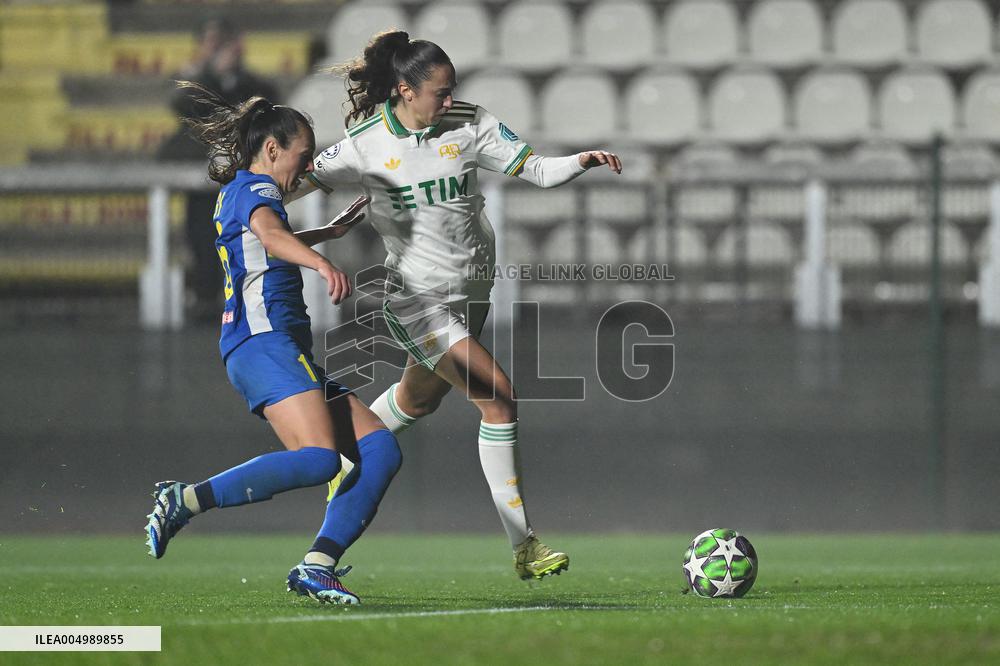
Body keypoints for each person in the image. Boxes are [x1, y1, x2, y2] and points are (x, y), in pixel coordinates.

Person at [285, 31, 623, 581]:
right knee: (500, 400)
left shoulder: (469, 123)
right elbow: (290, 186)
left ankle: (345, 456)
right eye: (439, 93)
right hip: (416, 300)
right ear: (405, 90)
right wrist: (250, 197)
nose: (449, 100)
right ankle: (524, 545)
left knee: (416, 401)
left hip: (471, 296)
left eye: (452, 90)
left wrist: (581, 160)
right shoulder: (364, 144)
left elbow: (537, 170)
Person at [145, 82, 400, 606]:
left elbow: (262, 244)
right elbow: (269, 237)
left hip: (275, 347)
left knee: (379, 449)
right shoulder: (256, 189)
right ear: (271, 149)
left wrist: (323, 235)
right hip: (262, 343)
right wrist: (322, 262)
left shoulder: (243, 193)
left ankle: (317, 565)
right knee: (319, 460)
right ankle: (185, 500)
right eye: (302, 156)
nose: (306, 169)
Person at [157, 18, 281, 322]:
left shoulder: (257, 86)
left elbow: (263, 113)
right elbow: (184, 108)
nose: (219, 49)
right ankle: (204, 299)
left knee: (247, 239)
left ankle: (248, 302)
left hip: (245, 179)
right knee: (201, 236)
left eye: (223, 41)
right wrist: (207, 72)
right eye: (211, 42)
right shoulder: (194, 81)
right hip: (202, 179)